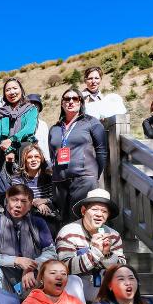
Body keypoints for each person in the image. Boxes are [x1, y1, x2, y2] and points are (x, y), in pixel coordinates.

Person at [0, 184, 56, 297]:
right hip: (5, 279)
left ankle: (30, 301)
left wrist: (31, 266)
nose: (18, 205)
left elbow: (51, 252)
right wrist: (16, 261)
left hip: (33, 278)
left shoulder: (38, 223)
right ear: (7, 201)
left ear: (30, 205)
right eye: (14, 200)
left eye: (24, 201)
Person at [55, 188, 126, 302]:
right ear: (83, 211)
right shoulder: (68, 232)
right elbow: (64, 267)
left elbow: (121, 268)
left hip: (101, 284)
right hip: (76, 285)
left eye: (104, 211)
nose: (99, 214)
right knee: (72, 281)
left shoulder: (113, 235)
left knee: (124, 280)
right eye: (94, 209)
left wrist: (107, 254)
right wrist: (95, 253)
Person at [48, 87, 108, 221]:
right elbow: (53, 154)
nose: (70, 101)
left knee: (81, 220)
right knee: (62, 221)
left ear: (80, 102)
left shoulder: (91, 122)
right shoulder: (54, 128)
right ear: (62, 103)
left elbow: (101, 152)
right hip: (59, 182)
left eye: (75, 98)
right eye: (66, 99)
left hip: (84, 179)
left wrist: (94, 176)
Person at [0, 78, 39, 170]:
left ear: (21, 90)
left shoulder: (31, 109)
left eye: (15, 88)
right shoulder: (1, 113)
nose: (12, 92)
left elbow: (29, 129)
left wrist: (11, 141)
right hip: (4, 153)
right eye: (8, 90)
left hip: (26, 151)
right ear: (4, 94)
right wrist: (8, 150)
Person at [8, 144, 57, 227]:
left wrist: (45, 200)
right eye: (30, 157)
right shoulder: (18, 179)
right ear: (25, 161)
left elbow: (54, 198)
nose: (33, 160)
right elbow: (18, 198)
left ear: (41, 159)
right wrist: (35, 203)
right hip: (26, 217)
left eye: (36, 156)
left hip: (47, 214)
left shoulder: (49, 178)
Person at [29, 94, 52, 160]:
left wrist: (47, 160)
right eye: (30, 104)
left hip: (41, 159)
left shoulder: (43, 124)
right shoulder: (20, 124)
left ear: (39, 108)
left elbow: (46, 144)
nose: (33, 106)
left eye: (36, 104)